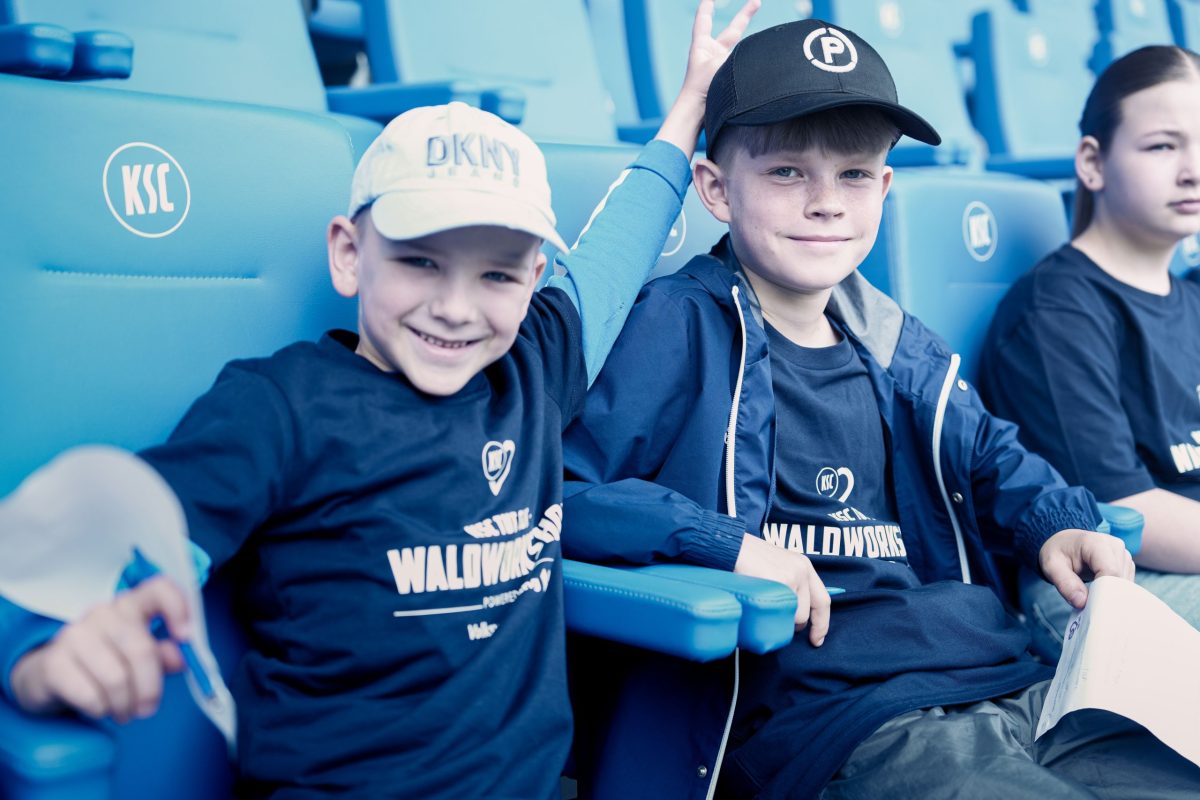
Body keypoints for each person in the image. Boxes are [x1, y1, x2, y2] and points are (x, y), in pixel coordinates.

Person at [0, 2, 761, 797]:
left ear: (533, 280)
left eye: (496, 274)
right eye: (420, 262)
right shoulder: (283, 407)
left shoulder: (535, 364)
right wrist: (38, 652)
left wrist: (690, 107)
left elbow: (614, 252)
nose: (456, 308)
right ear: (348, 253)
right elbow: (121, 545)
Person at [561, 19, 1198, 800]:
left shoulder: (893, 339)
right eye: (788, 172)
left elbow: (995, 457)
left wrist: (1056, 522)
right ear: (716, 188)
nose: (827, 203)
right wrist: (721, 543)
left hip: (1000, 676)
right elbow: (558, 493)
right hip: (835, 716)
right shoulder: (676, 326)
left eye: (855, 174)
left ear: (885, 189)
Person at [979, 45, 1200, 653]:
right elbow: (1125, 509)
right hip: (1106, 584)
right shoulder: (1055, 310)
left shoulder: (1192, 297)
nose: (1192, 170)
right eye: (1163, 146)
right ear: (1092, 163)